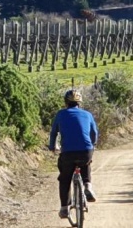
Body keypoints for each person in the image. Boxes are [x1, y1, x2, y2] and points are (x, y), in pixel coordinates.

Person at [48, 89, 98, 219]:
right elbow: (94, 133)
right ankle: (87, 185)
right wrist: (93, 145)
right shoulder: (88, 114)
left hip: (68, 152)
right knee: (86, 163)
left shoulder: (60, 114)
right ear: (79, 103)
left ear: (66, 102)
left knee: (64, 178)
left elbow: (54, 133)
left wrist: (52, 147)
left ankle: (65, 208)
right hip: (86, 150)